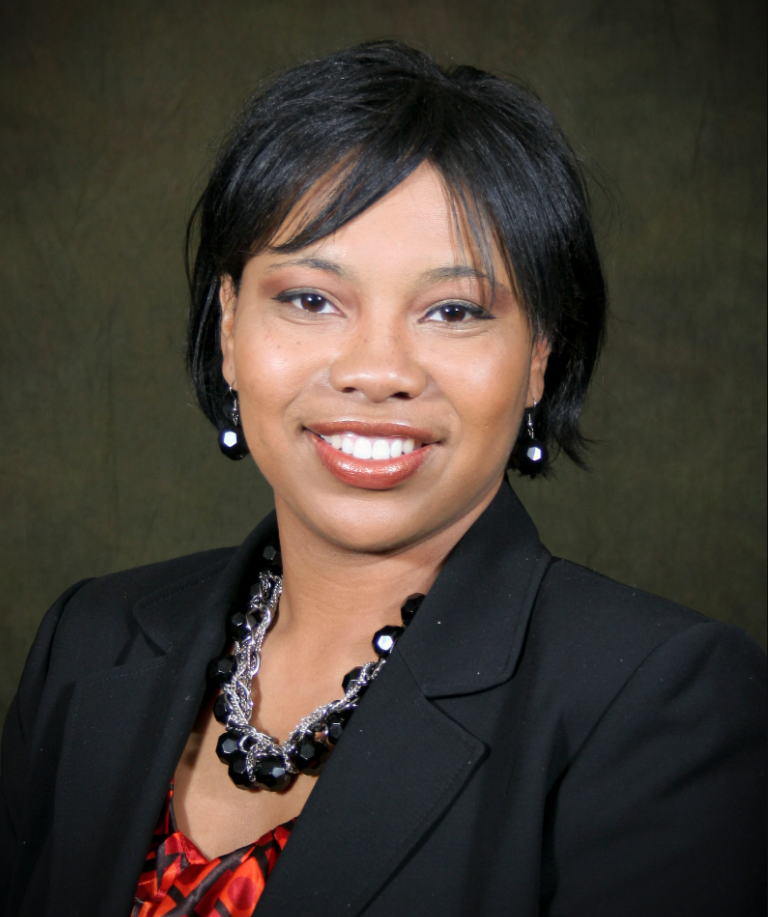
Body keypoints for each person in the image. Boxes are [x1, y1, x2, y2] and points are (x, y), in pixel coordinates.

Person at [1, 40, 764, 917]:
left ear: (539, 358)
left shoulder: (661, 700)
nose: (376, 371)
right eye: (311, 299)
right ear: (229, 328)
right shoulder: (89, 639)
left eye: (453, 310)